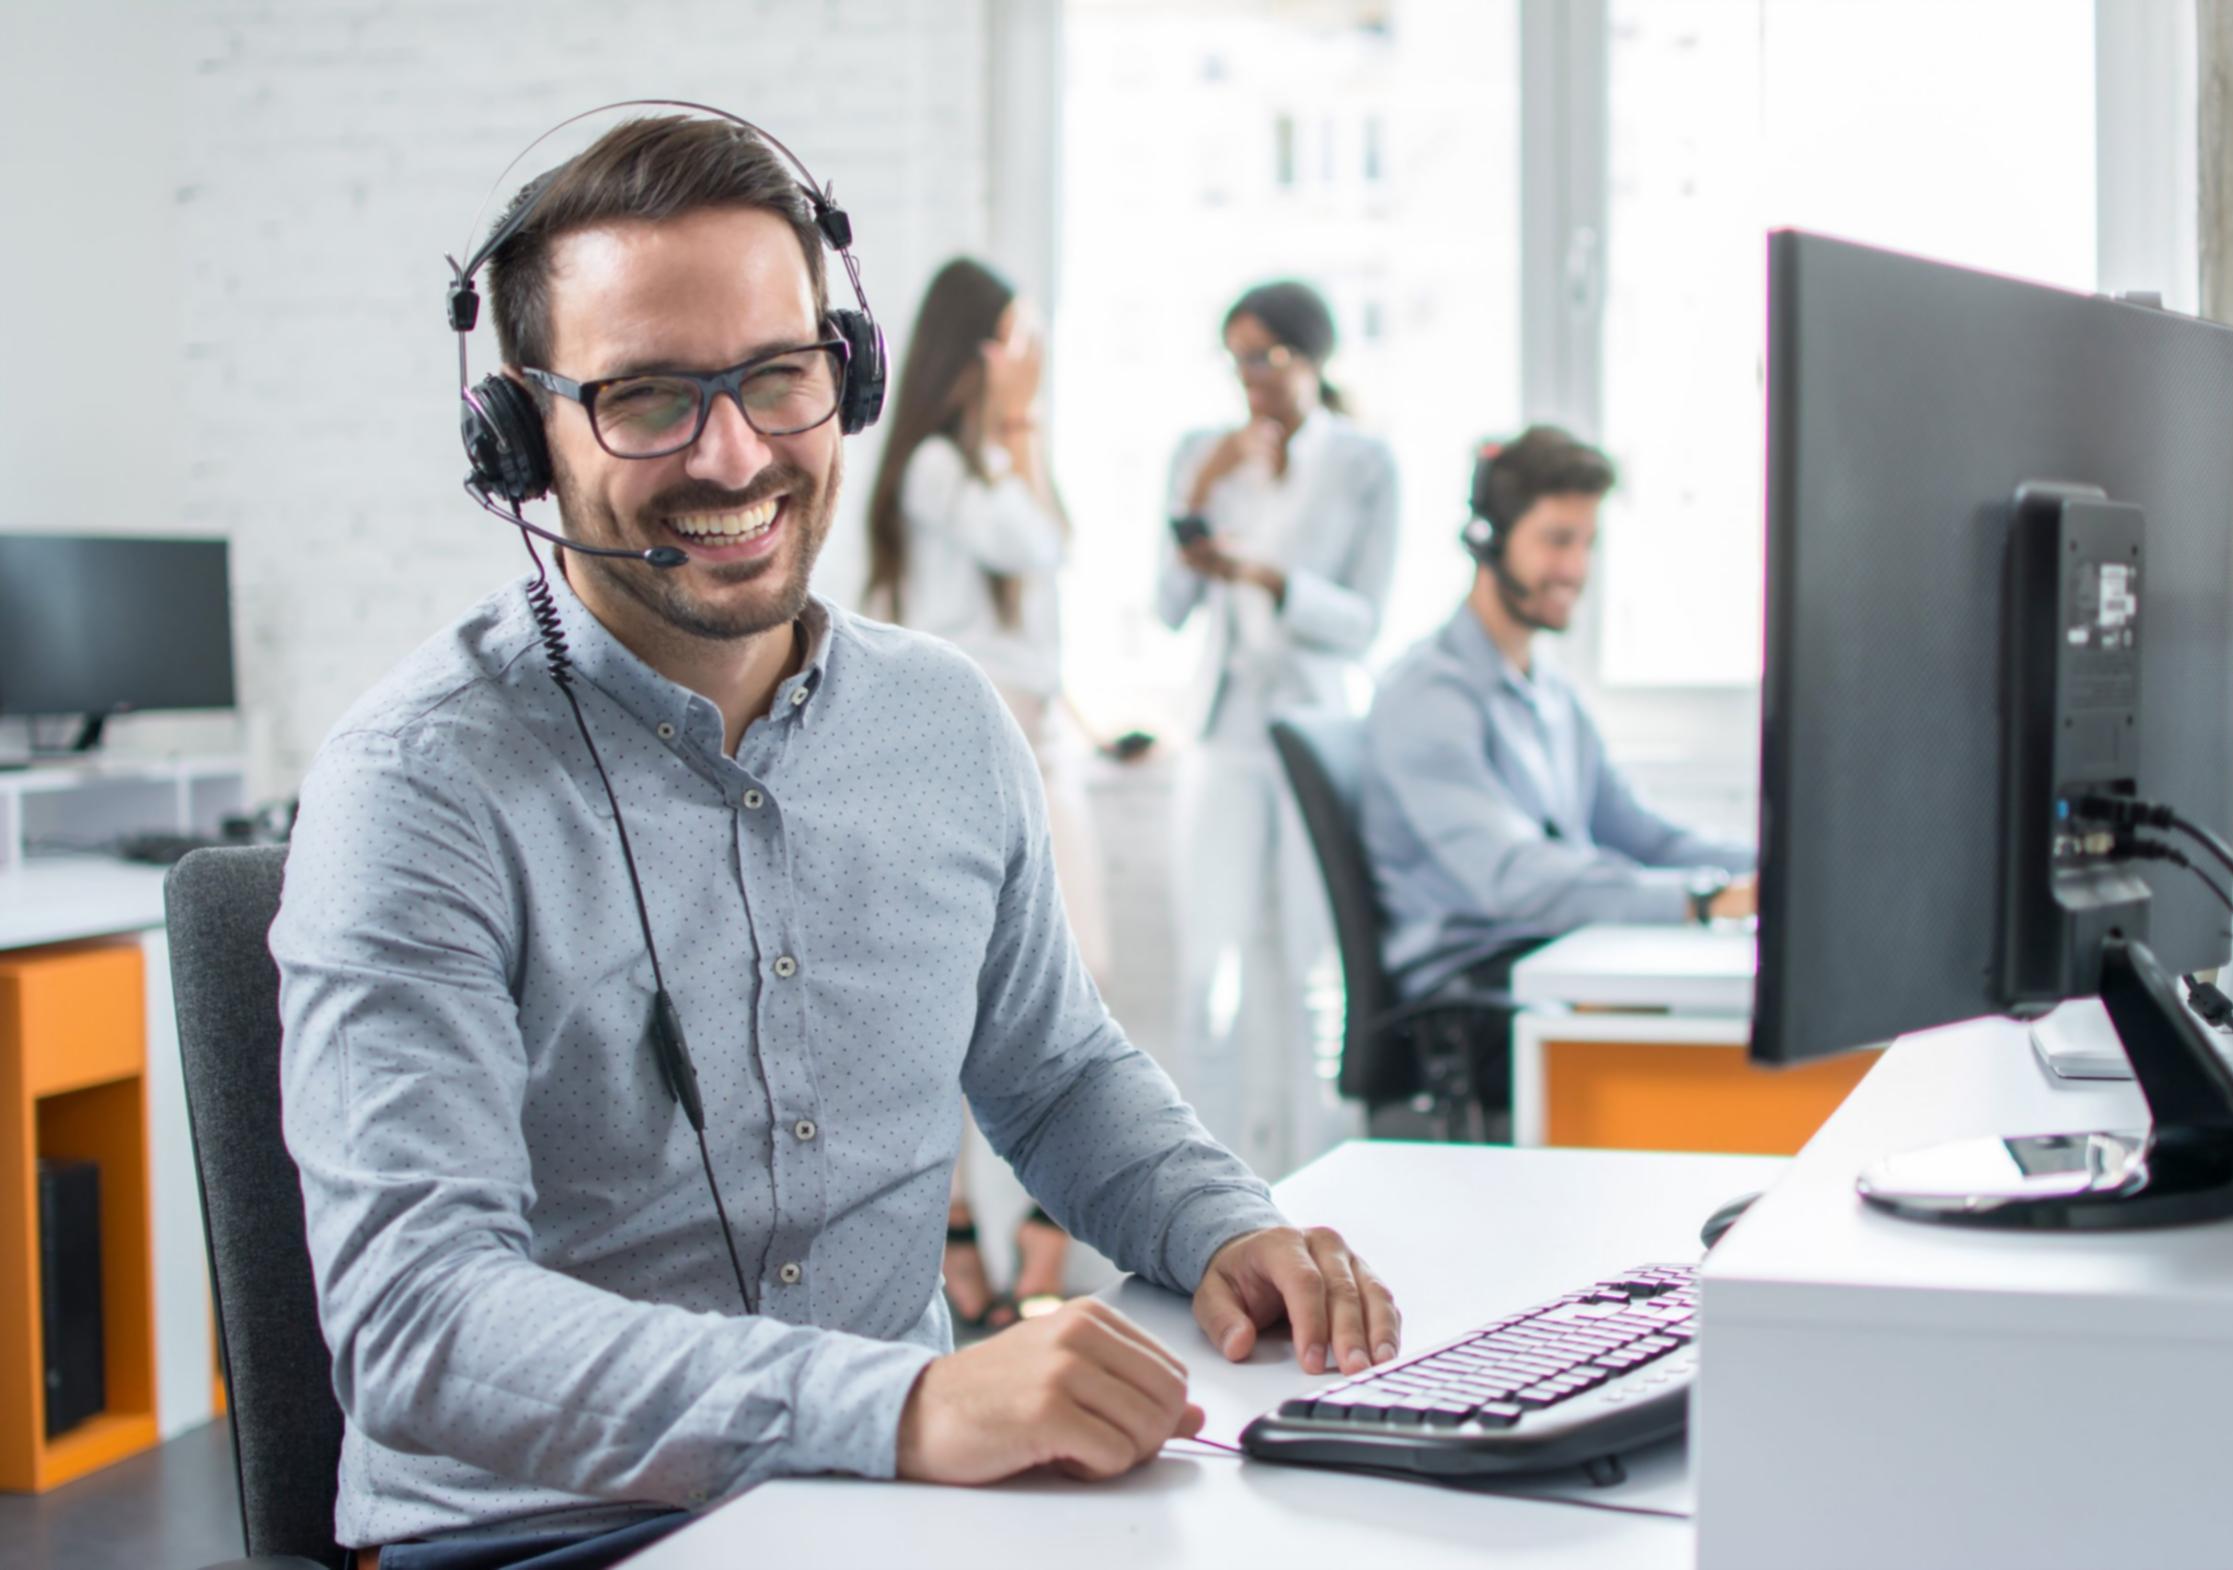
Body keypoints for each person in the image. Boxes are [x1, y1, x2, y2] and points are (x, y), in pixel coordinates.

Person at [273, 113, 1399, 1569]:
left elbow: (1052, 1074)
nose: (731, 451)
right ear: (522, 434)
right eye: (647, 397)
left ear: (846, 376)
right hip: (548, 1538)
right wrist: (905, 1404)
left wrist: (1219, 1224)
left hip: (888, 1514)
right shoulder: (416, 785)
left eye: (776, 377)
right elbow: (416, 1321)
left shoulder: (943, 721)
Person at [1361, 425, 1756, 1110]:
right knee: (1716, 1054)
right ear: (1487, 538)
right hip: (1476, 1006)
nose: (1575, 568)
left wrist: (1773, 868)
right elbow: (1513, 878)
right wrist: (1700, 898)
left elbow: (1641, 836)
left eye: (1586, 542)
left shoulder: (1549, 693)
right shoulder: (1426, 698)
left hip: (1553, 967)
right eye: (1555, 540)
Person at [864, 256, 1105, 1331]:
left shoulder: (993, 463)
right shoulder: (930, 470)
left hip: (1046, 741)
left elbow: (1053, 559)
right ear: (970, 350)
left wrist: (1025, 433)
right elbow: (1032, 541)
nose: (1025, 363)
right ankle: (967, 1236)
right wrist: (1017, 433)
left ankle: (1039, 1244)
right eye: (1012, 341)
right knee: (963, 997)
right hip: (973, 750)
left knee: (1074, 987)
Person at [1157, 280, 1399, 1180]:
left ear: (1313, 359)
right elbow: (1170, 602)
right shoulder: (1201, 453)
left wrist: (1266, 577)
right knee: (1206, 983)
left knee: (1315, 979)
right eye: (1238, 360)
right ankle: (1194, 1199)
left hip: (1314, 733)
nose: (1251, 379)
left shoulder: (1363, 463)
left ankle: (1326, 1191)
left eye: (1268, 358)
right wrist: (1204, 490)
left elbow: (1362, 621)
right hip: (1225, 733)